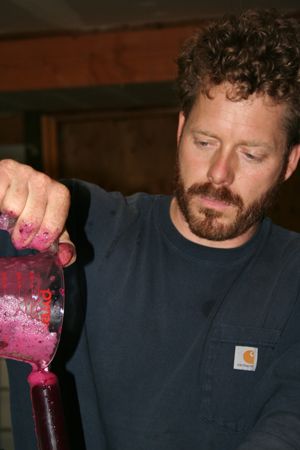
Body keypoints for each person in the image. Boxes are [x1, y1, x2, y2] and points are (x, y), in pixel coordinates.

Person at [3, 8, 300, 450]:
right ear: (181, 129)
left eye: (252, 155)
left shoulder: (292, 277)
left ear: (289, 163)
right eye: (205, 142)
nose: (219, 173)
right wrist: (10, 188)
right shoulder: (85, 225)